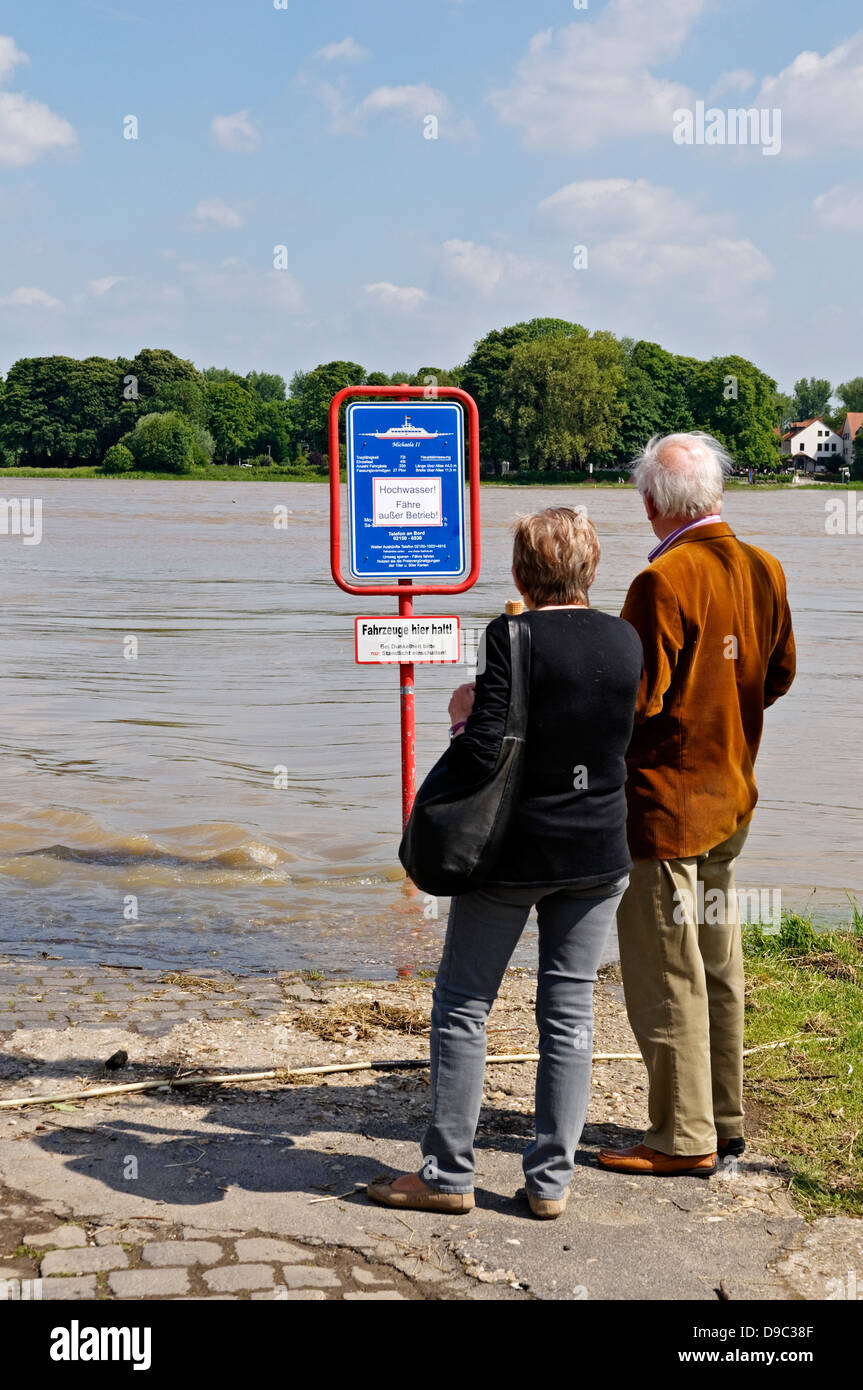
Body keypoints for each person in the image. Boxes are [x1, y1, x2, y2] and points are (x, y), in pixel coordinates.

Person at [367, 507, 643, 1219]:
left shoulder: (510, 634)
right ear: (591, 568)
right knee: (568, 1008)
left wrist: (460, 713)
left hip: (512, 853)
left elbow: (484, 747)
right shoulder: (625, 638)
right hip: (599, 848)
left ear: (520, 571)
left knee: (462, 1006)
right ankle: (549, 1184)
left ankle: (447, 1173)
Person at [598, 433, 796, 1178]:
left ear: (650, 503)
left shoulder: (663, 580)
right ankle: (723, 1121)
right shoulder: (764, 567)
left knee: (664, 971)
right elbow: (777, 675)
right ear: (715, 493)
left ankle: (681, 1139)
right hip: (731, 797)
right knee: (715, 964)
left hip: (666, 808)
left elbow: (637, 702)